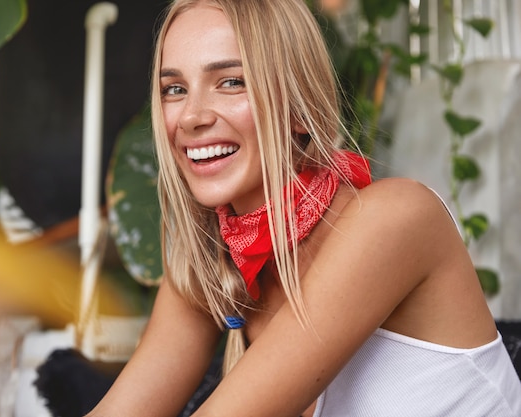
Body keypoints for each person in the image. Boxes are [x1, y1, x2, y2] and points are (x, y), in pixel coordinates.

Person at [86, 0, 521, 416]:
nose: (191, 117)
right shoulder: (211, 255)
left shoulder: (394, 219)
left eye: (231, 81)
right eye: (174, 89)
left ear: (299, 108)